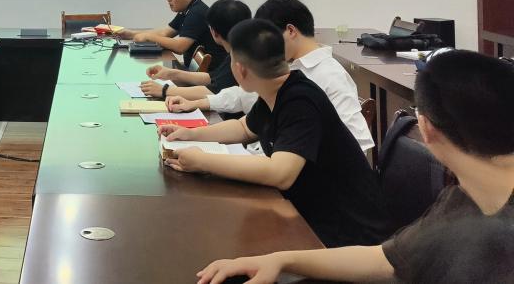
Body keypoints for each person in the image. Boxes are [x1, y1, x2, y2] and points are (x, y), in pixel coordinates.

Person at [196, 49, 514, 283]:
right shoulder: (463, 200)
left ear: (426, 128)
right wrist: (280, 260)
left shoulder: (479, 218)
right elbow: (387, 259)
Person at [161, 18, 392, 248]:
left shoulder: (300, 100)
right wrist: (189, 133)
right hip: (309, 214)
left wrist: (203, 161)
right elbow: (244, 128)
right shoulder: (276, 90)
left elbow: (280, 173)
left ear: (240, 68)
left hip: (346, 234)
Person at [164, 0, 374, 152]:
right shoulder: (290, 67)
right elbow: (246, 104)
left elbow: (358, 144)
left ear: (290, 31)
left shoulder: (329, 75)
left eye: (269, 36)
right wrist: (195, 118)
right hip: (263, 156)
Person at [140, 0, 250, 97]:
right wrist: (171, 73)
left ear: (214, 32)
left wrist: (164, 90)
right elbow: (212, 78)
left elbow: (213, 91)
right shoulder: (240, 50)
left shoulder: (239, 58)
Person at [115, 0, 221, 61]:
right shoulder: (186, 10)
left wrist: (148, 37)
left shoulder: (196, 13)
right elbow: (165, 32)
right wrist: (131, 34)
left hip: (207, 73)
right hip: (194, 70)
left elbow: (180, 47)